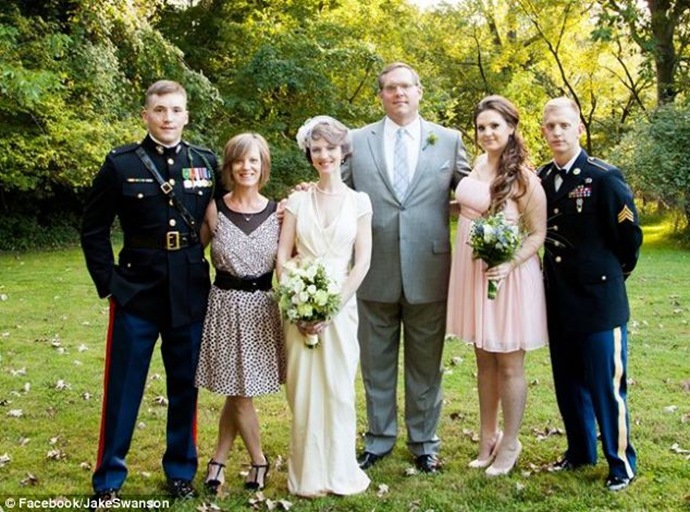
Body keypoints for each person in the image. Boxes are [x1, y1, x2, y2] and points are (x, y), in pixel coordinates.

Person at [80, 80, 217, 501]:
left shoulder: (205, 162)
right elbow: (93, 229)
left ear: (186, 115)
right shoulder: (121, 164)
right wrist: (110, 285)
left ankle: (179, 472)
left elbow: (238, 207)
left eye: (176, 110)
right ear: (146, 115)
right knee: (123, 389)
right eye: (160, 110)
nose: (168, 117)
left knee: (184, 386)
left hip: (190, 292)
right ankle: (108, 480)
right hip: (137, 291)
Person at [343, 62, 471, 473]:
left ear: (419, 92)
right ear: (380, 95)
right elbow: (337, 192)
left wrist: (515, 189)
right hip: (372, 267)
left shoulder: (448, 140)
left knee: (425, 365)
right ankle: (378, 440)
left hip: (429, 270)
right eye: (390, 88)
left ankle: (424, 443)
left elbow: (473, 189)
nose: (399, 93)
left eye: (406, 87)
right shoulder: (356, 140)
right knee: (375, 363)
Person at [538, 97, 642, 491]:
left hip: (600, 303)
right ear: (544, 131)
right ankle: (581, 451)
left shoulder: (604, 177)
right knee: (568, 383)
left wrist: (614, 277)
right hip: (559, 300)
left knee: (606, 386)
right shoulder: (543, 177)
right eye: (551, 126)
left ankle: (621, 464)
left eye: (565, 125)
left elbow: (629, 238)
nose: (557, 132)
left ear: (579, 129)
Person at [446, 95, 548, 476]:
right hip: (474, 273)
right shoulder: (477, 165)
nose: (487, 133)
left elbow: (537, 234)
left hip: (508, 278)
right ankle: (487, 437)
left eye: (494, 126)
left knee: (508, 365)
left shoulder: (523, 177)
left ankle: (511, 442)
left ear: (511, 128)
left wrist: (509, 264)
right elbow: (467, 208)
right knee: (483, 360)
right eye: (481, 127)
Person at [276, 115, 372, 497]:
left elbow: (362, 261)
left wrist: (332, 307)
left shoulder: (359, 202)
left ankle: (339, 471)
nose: (323, 155)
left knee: (338, 388)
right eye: (316, 149)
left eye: (330, 148)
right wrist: (298, 304)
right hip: (298, 302)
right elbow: (283, 257)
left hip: (342, 307)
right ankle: (307, 475)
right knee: (302, 391)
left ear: (343, 151)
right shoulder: (298, 200)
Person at [194, 133, 286, 495]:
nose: (246, 167)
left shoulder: (279, 211)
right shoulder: (214, 208)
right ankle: (257, 459)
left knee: (238, 391)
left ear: (263, 166)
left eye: (254, 161)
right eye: (239, 161)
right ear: (229, 167)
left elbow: (287, 263)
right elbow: (190, 255)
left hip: (261, 308)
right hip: (224, 305)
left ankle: (219, 458)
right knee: (239, 391)